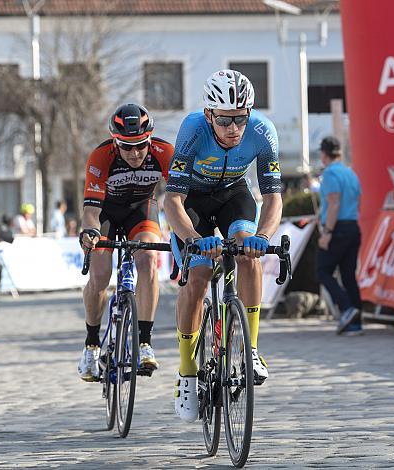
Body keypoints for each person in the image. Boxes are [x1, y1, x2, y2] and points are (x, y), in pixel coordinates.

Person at [163, 69, 282, 422]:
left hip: (234, 194)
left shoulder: (263, 132)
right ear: (209, 114)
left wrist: (263, 238)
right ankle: (187, 372)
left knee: (248, 252)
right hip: (193, 200)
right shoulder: (192, 129)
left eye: (240, 119)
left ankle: (252, 349)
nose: (234, 129)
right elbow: (173, 201)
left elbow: (273, 198)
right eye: (225, 120)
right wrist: (195, 240)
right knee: (198, 275)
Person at [77, 103, 174, 382]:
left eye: (141, 145)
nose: (135, 153)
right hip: (106, 212)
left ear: (150, 139)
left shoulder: (164, 153)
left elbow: (180, 200)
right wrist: (90, 233)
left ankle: (145, 341)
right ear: (115, 142)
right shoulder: (100, 156)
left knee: (148, 260)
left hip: (141, 209)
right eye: (126, 147)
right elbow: (91, 212)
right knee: (99, 276)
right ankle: (92, 344)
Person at [315, 136, 363, 336]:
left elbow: (334, 203)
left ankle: (347, 308)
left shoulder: (331, 174)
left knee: (322, 270)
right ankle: (355, 322)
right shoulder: (350, 173)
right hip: (352, 226)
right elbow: (357, 201)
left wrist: (327, 232)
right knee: (348, 275)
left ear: (323, 154)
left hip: (338, 229)